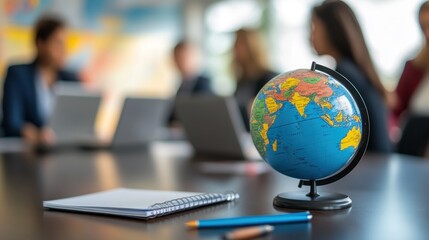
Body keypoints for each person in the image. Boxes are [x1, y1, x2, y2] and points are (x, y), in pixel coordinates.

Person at [310, 0, 392, 152]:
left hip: (366, 166)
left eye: (315, 27)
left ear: (332, 29)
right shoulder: (355, 70)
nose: (311, 37)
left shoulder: (344, 75)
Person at [1, 16, 79, 145]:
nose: (64, 50)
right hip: (27, 151)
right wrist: (36, 135)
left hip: (62, 148)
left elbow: (77, 120)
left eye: (65, 44)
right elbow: (12, 122)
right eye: (57, 43)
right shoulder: (18, 74)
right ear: (40, 44)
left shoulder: (70, 78)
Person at [393, 1, 429, 156]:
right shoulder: (414, 65)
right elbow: (397, 106)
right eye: (423, 27)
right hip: (413, 136)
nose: (427, 34)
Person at [233, 29, 277, 130]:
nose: (234, 49)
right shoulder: (242, 80)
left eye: (238, 44)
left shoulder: (270, 79)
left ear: (252, 47)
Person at [169, 40, 212, 124]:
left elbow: (203, 114)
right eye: (177, 57)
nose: (180, 61)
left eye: (184, 57)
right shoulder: (182, 86)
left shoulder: (203, 84)